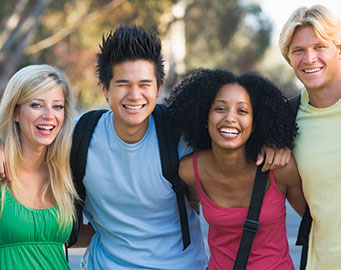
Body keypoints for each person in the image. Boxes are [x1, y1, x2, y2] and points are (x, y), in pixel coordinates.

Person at [71, 25, 208, 269]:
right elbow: (27, 138)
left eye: (145, 84)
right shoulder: (80, 134)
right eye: (123, 84)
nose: (135, 96)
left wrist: (273, 147)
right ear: (104, 88)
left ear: (159, 85)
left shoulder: (180, 132)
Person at [167, 68, 306, 270]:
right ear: (205, 119)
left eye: (242, 111)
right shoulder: (190, 170)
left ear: (255, 123)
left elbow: (315, 223)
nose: (231, 118)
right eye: (220, 109)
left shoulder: (280, 168)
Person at [278, 5, 341, 269]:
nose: (309, 58)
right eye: (298, 51)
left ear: (340, 50)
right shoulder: (285, 121)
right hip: (322, 262)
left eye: (319, 47)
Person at [0, 64, 78, 270]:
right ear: (16, 112)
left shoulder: (65, 174)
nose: (49, 115)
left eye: (58, 106)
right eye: (36, 105)